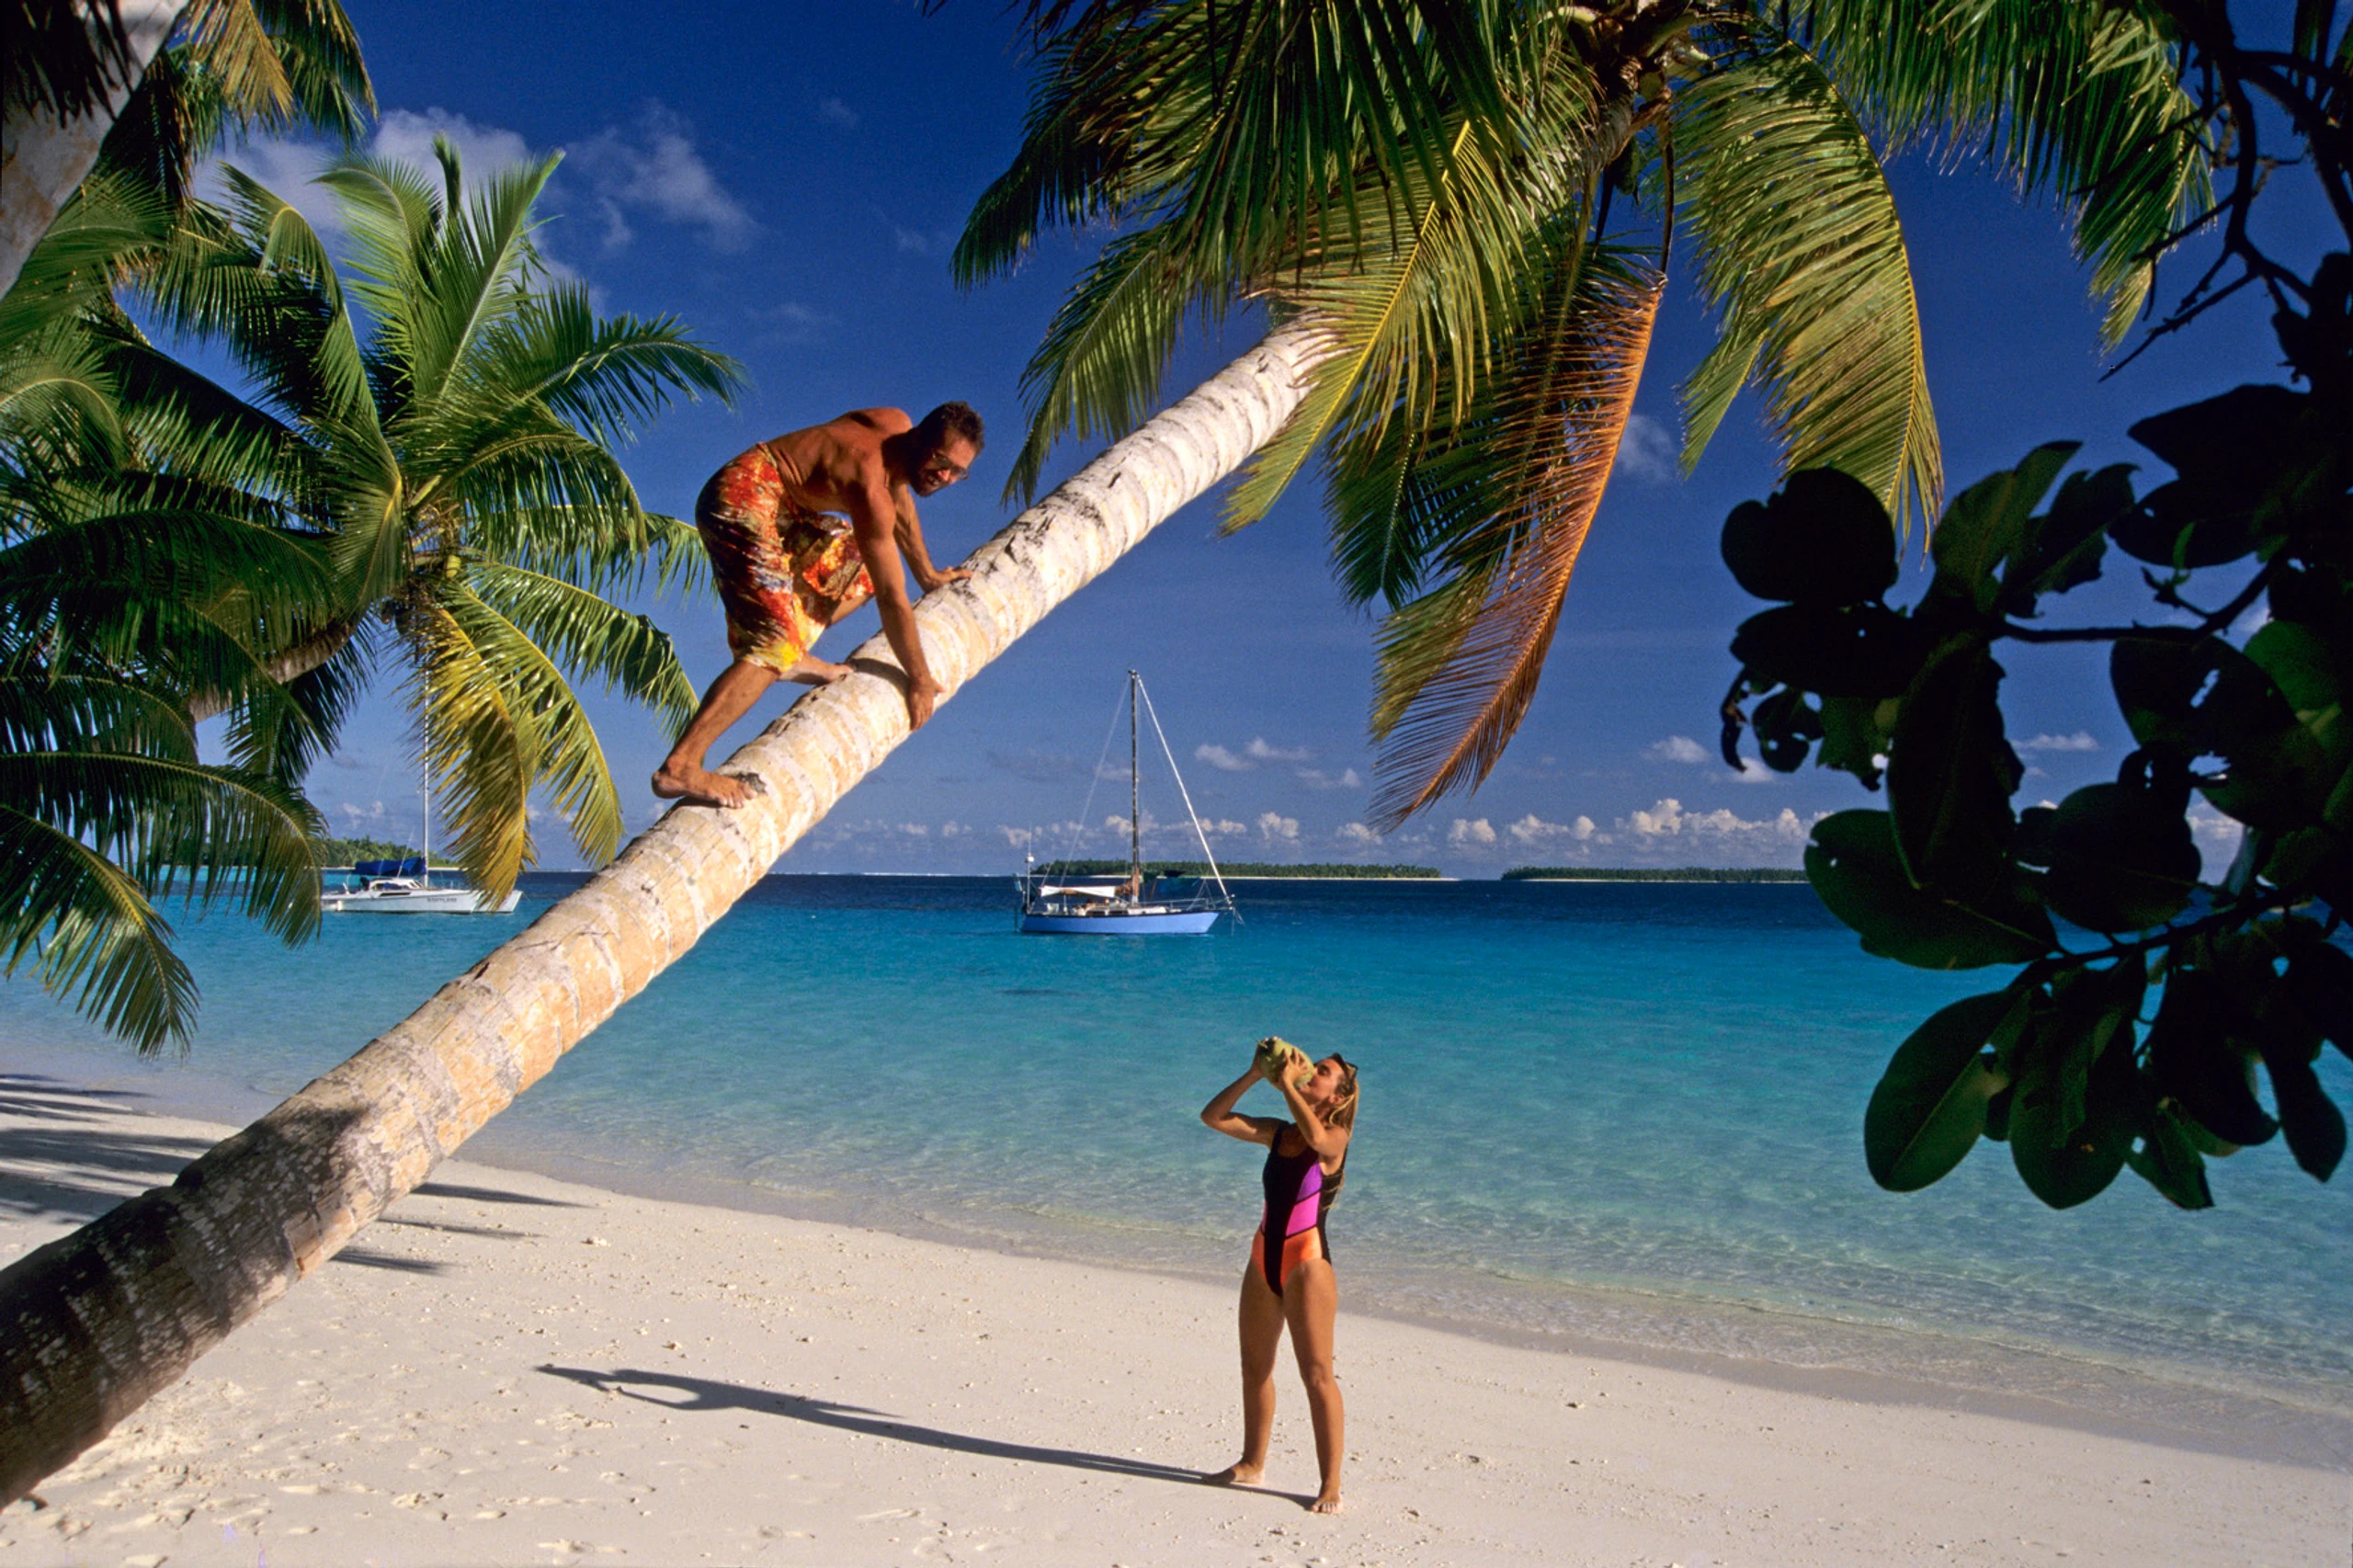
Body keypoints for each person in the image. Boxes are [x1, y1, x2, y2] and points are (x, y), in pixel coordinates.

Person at [652, 401, 983, 808]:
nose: (945, 476)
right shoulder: (868, 484)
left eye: (958, 472)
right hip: (741, 498)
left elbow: (900, 503)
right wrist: (918, 677)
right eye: (940, 461)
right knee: (772, 645)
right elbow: (892, 599)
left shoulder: (893, 426)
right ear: (920, 440)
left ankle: (790, 650)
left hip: (786, 509)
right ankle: (681, 765)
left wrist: (928, 575)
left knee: (857, 566)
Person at [1198, 1043, 1360, 1514]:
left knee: (1316, 1375)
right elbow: (1214, 1116)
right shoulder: (1277, 1133)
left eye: (1322, 1071)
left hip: (1307, 1264)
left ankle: (1330, 1484)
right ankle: (1252, 1462)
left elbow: (1316, 1137)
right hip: (1262, 1255)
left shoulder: (1334, 1137)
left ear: (1337, 1096)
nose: (1310, 1068)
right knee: (1255, 1368)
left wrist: (1287, 1085)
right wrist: (1253, 1074)